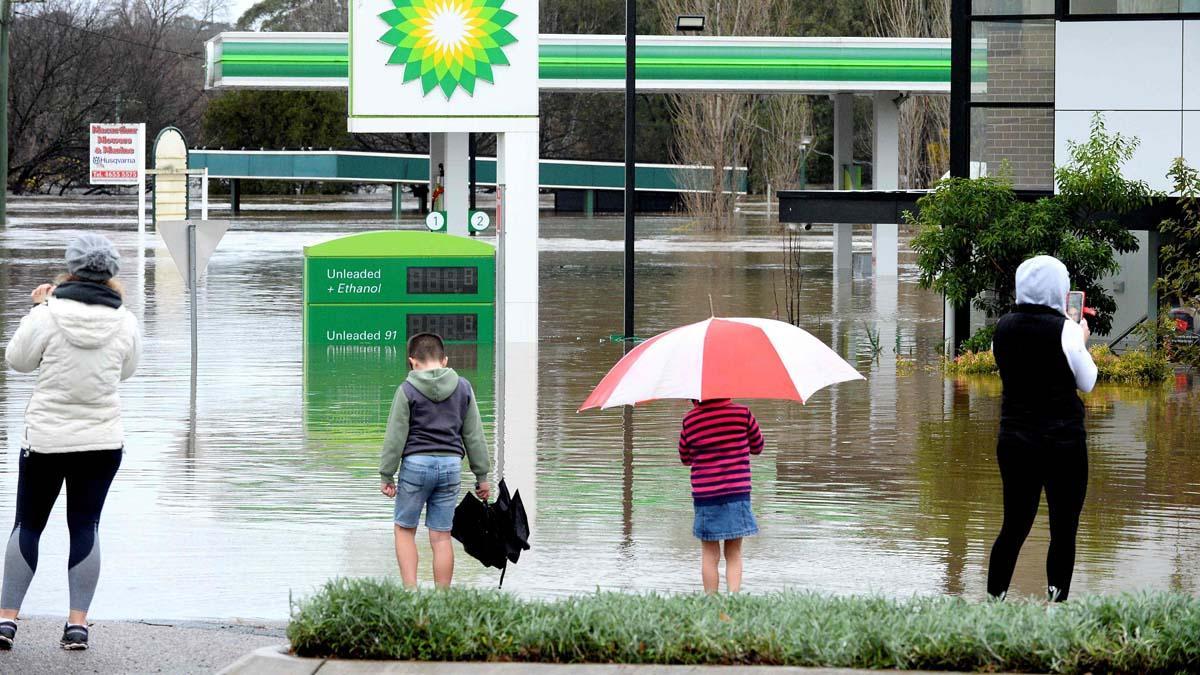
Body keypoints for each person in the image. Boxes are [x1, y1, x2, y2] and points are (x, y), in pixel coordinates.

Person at [1, 234, 141, 651]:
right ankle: (77, 625)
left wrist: (38, 307)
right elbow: (127, 372)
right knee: (86, 525)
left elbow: (18, 361)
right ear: (111, 274)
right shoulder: (126, 321)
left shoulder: (47, 314)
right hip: (102, 440)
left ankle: (6, 621)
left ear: (71, 268)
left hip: (46, 439)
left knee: (28, 524)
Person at [987, 255, 1097, 602]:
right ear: (1059, 288)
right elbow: (1088, 382)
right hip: (1063, 441)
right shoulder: (1066, 329)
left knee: (1014, 527)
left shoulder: (1002, 326)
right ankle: (1056, 606)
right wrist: (1081, 338)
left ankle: (993, 604)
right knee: (1063, 530)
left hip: (1015, 440)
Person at [379, 333, 490, 588]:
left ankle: (410, 594)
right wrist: (481, 476)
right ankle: (443, 601)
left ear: (412, 362)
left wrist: (387, 474)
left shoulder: (406, 390)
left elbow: (395, 436)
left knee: (405, 530)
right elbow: (474, 435)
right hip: (451, 466)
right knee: (441, 537)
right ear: (445, 360)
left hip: (416, 466)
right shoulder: (463, 387)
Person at [678, 398, 765, 594]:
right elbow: (758, 446)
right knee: (733, 552)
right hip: (737, 493)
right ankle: (733, 598)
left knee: (709, 554)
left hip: (705, 496)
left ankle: (711, 600)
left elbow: (685, 457)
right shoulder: (742, 414)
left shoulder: (690, 420)